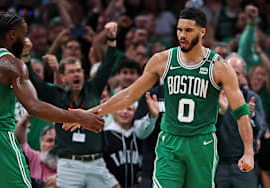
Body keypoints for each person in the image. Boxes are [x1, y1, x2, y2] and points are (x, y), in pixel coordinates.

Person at [64, 7, 255, 188]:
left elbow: (241, 111)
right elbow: (130, 94)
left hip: (201, 142)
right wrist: (88, 113)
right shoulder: (162, 60)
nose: (182, 35)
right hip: (170, 140)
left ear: (202, 32)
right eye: (179, 29)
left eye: (188, 30)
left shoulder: (219, 67)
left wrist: (248, 151)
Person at [0, 12, 104, 188]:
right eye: (23, 34)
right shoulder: (11, 64)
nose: (25, 40)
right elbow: (34, 106)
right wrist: (78, 118)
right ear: (12, 35)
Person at [26, 22, 119, 188]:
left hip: (96, 162)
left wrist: (111, 38)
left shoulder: (93, 88)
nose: (76, 74)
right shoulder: (56, 94)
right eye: (71, 71)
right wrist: (26, 59)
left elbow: (107, 65)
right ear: (62, 76)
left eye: (79, 70)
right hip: (69, 164)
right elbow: (36, 82)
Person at [215, 54, 265, 188]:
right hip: (219, 164)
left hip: (244, 163)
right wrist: (221, 113)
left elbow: (260, 128)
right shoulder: (215, 97)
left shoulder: (252, 98)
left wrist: (250, 116)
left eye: (235, 72)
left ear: (243, 75)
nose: (230, 75)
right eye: (228, 71)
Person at [103, 103, 142, 188]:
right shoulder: (106, 135)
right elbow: (101, 164)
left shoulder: (140, 135)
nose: (124, 112)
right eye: (120, 108)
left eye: (129, 109)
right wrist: (112, 183)